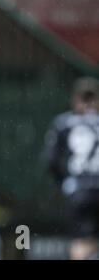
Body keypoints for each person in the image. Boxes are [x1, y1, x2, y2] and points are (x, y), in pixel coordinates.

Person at [43, 77, 99, 260]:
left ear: (75, 99)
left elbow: (50, 160)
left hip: (80, 190)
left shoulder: (64, 123)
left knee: (81, 244)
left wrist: (66, 182)